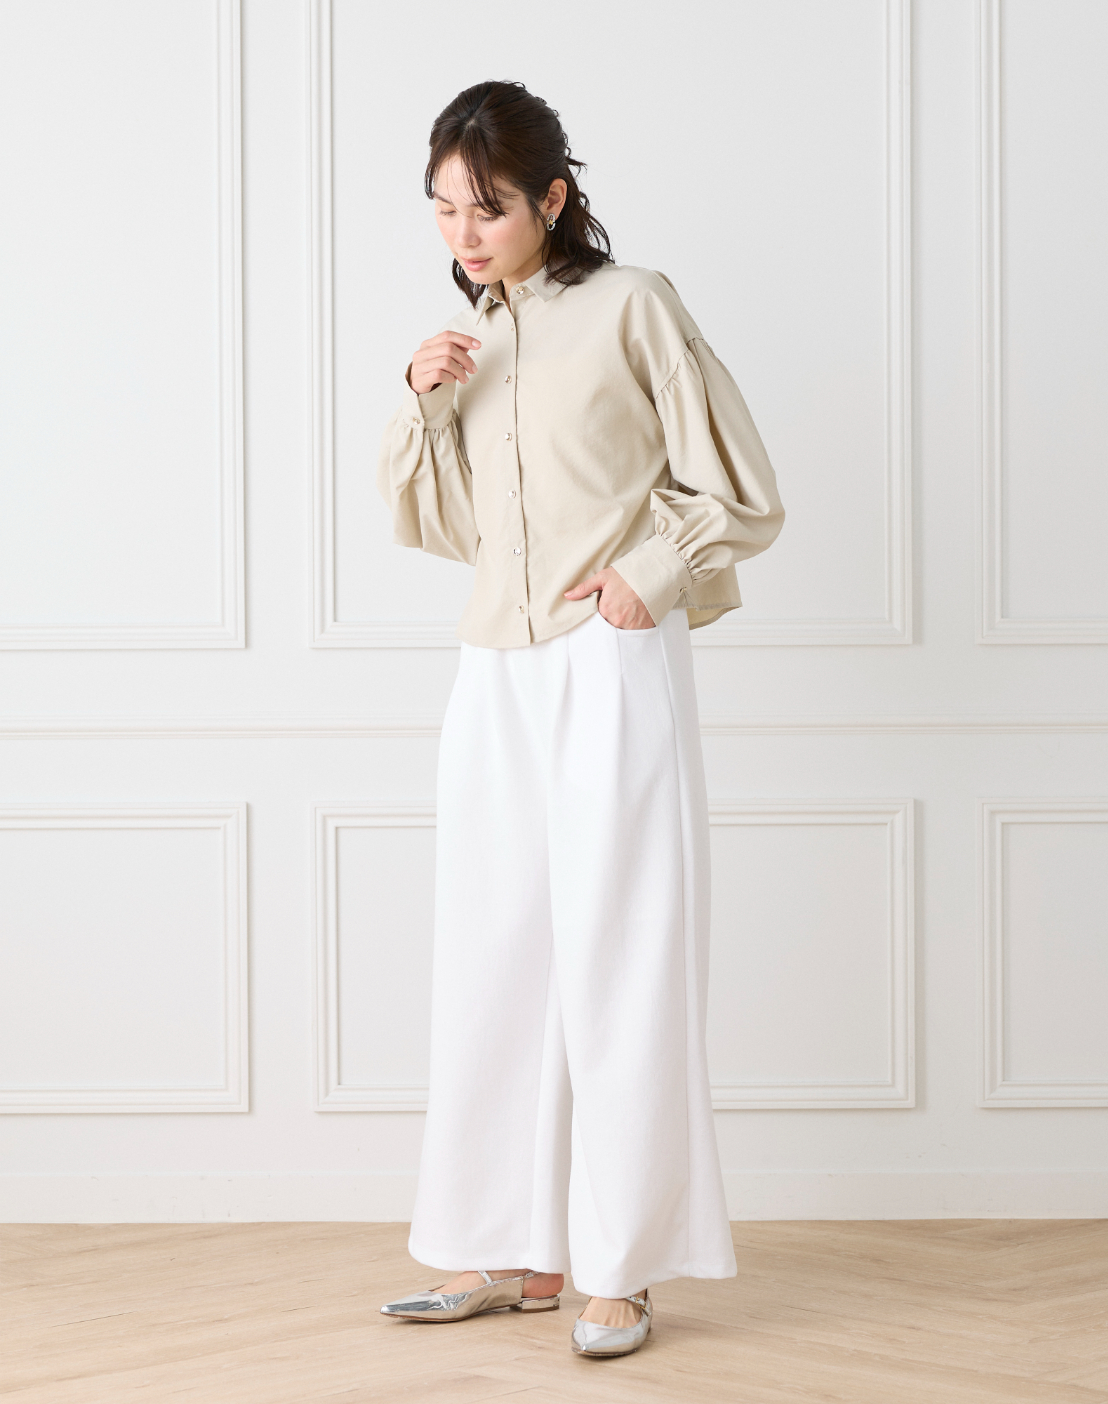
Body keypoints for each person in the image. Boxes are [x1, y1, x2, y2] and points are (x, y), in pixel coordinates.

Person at [375, 79, 785, 1360]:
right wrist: (424, 400)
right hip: (493, 671)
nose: (464, 234)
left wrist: (645, 577)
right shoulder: (472, 339)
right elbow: (449, 530)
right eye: (444, 208)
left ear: (552, 198)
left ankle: (623, 1265)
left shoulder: (633, 306)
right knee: (493, 955)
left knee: (623, 951)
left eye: (487, 208)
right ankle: (517, 1253)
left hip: (609, 658)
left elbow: (745, 491)